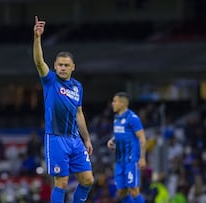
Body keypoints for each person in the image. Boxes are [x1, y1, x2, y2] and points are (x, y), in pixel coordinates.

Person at [33, 16, 94, 203]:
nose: (62, 68)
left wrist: (87, 139)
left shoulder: (78, 87)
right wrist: (37, 38)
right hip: (56, 138)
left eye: (66, 65)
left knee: (88, 180)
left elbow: (79, 113)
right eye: (60, 64)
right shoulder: (50, 80)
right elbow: (38, 61)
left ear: (73, 67)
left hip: (75, 140)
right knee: (62, 182)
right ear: (55, 66)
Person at [107, 92, 147, 203]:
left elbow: (142, 138)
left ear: (122, 103)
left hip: (131, 160)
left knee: (133, 190)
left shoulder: (133, 118)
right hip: (119, 161)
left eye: (115, 101)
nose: (112, 103)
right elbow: (121, 133)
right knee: (121, 192)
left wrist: (142, 158)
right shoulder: (116, 118)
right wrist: (112, 140)